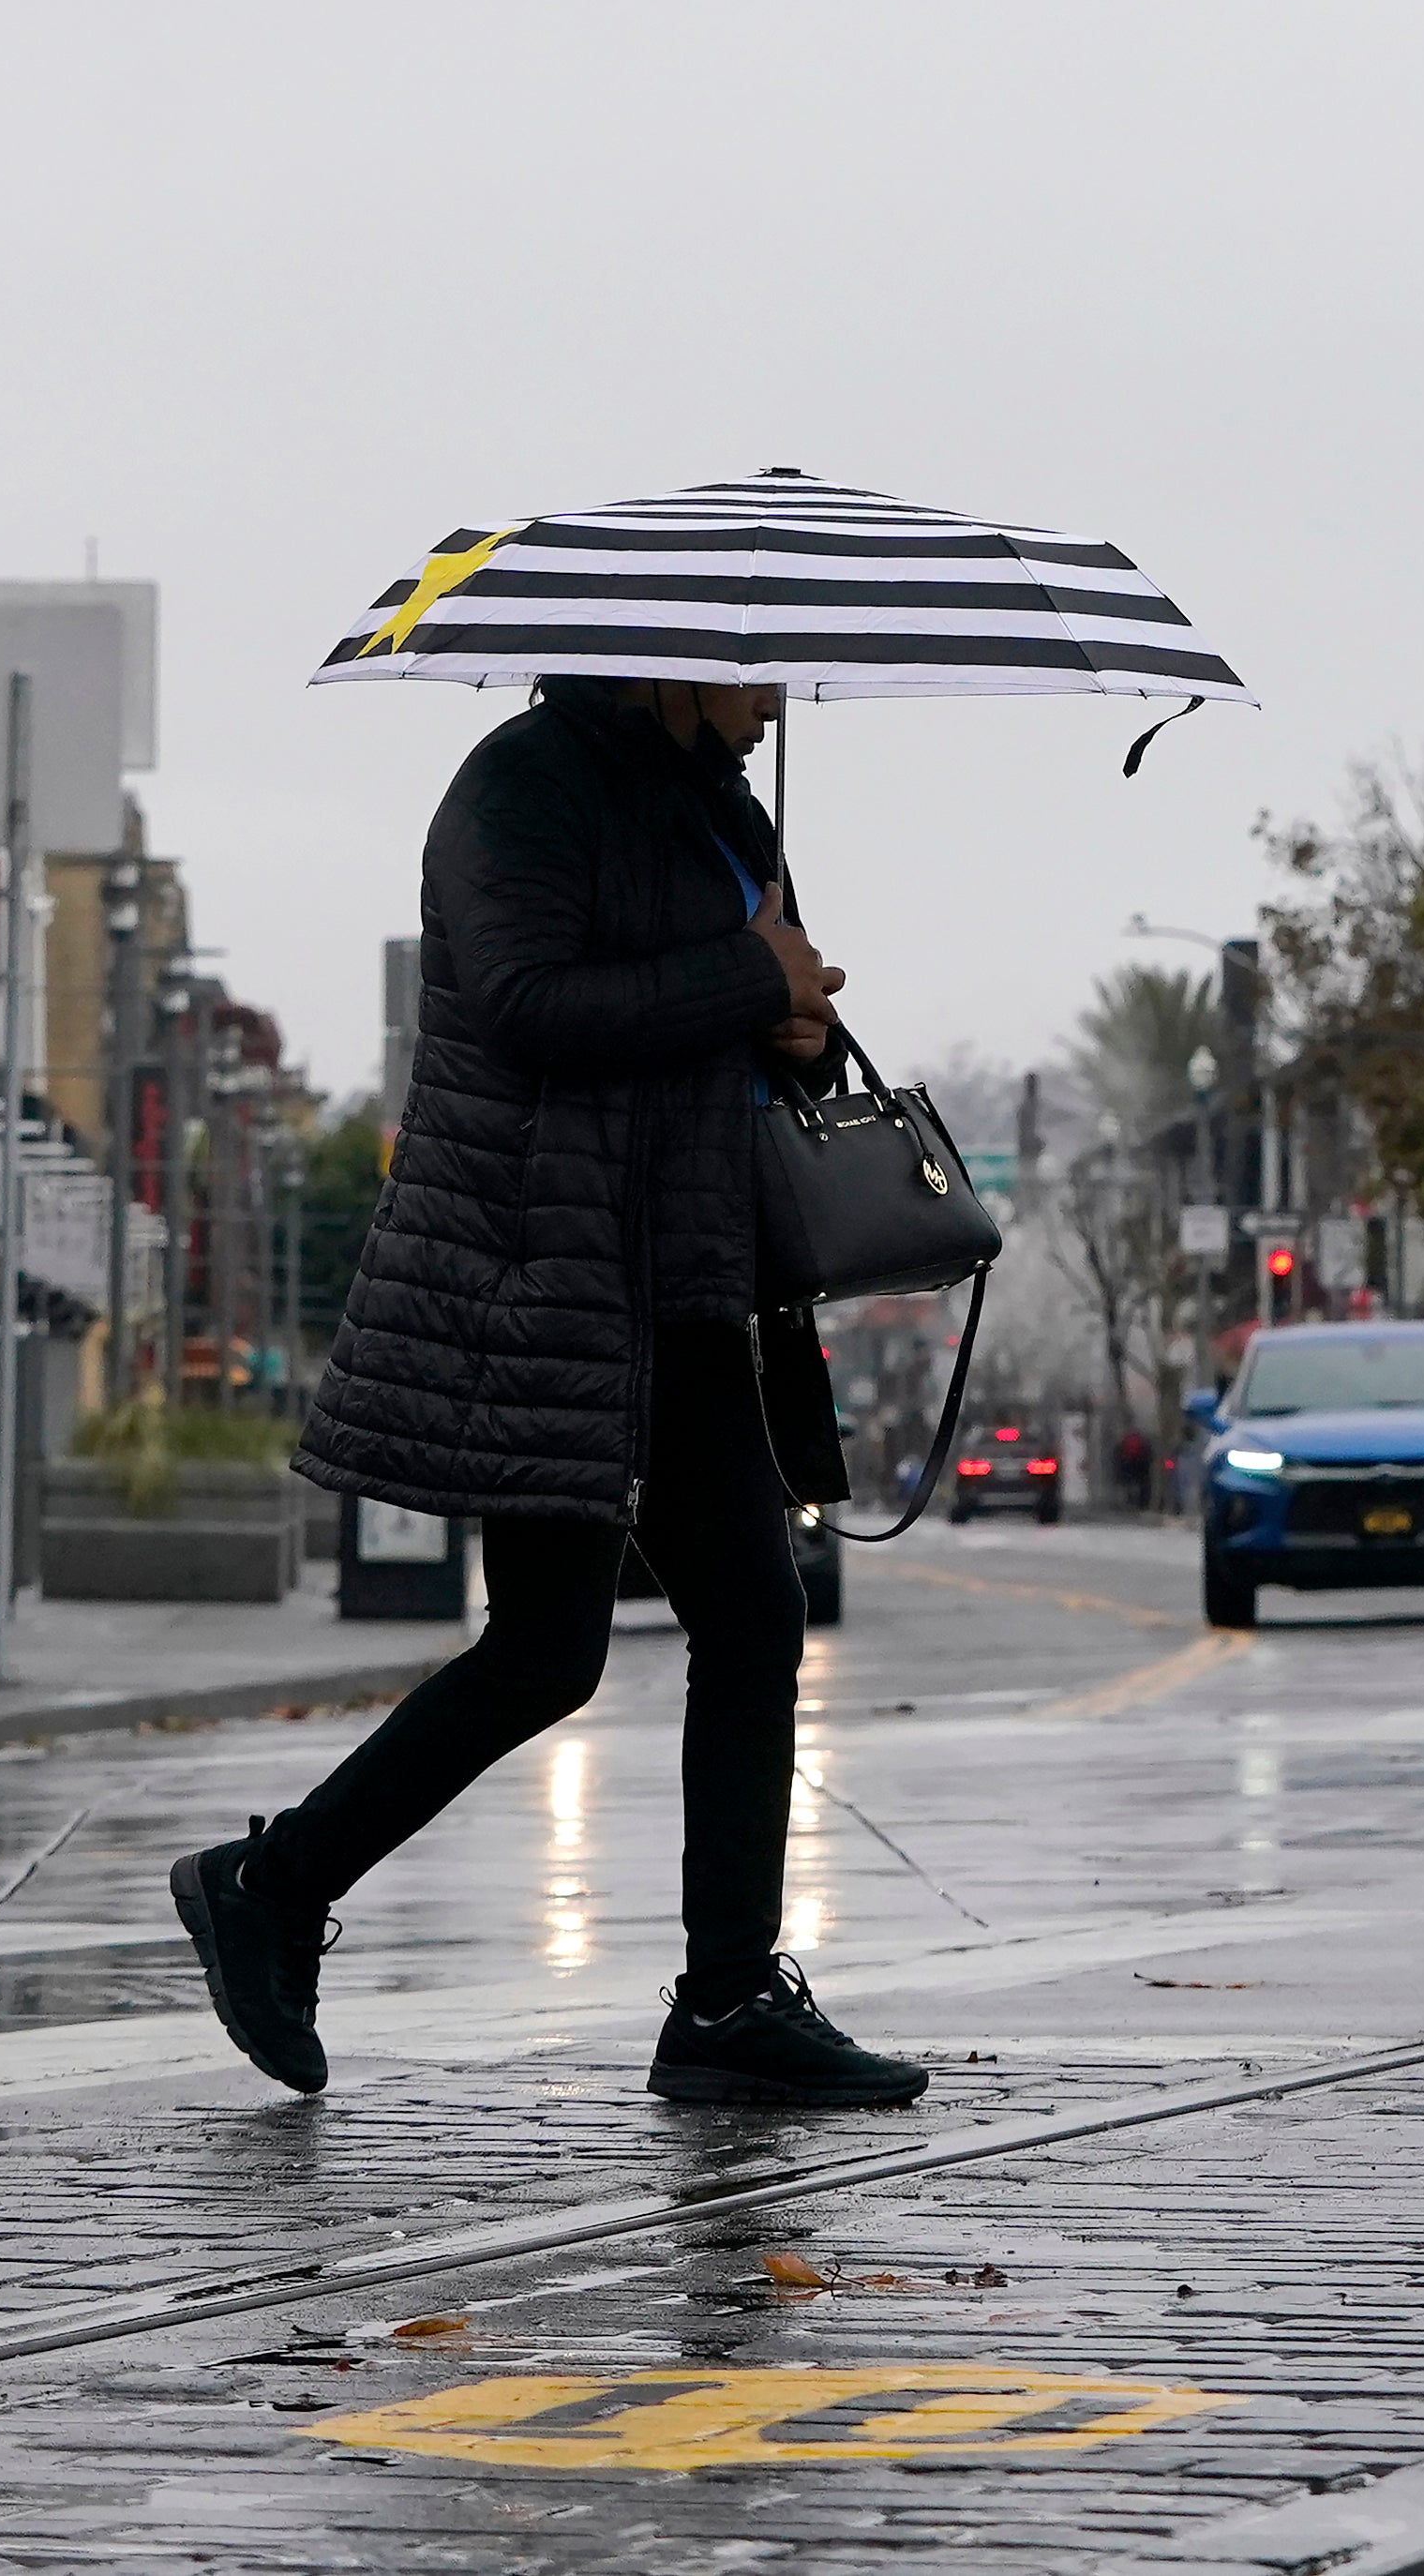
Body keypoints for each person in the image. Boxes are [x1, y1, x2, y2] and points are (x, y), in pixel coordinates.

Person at [176, 671, 924, 2111]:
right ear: (668, 660)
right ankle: (267, 1884)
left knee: (758, 1610)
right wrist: (741, 981)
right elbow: (525, 1005)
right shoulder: (518, 784)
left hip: (686, 1269)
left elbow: (746, 1010)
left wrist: (800, 1027)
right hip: (544, 1269)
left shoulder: (720, 807)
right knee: (547, 1646)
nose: (773, 697)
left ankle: (725, 1998)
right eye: (751, 667)